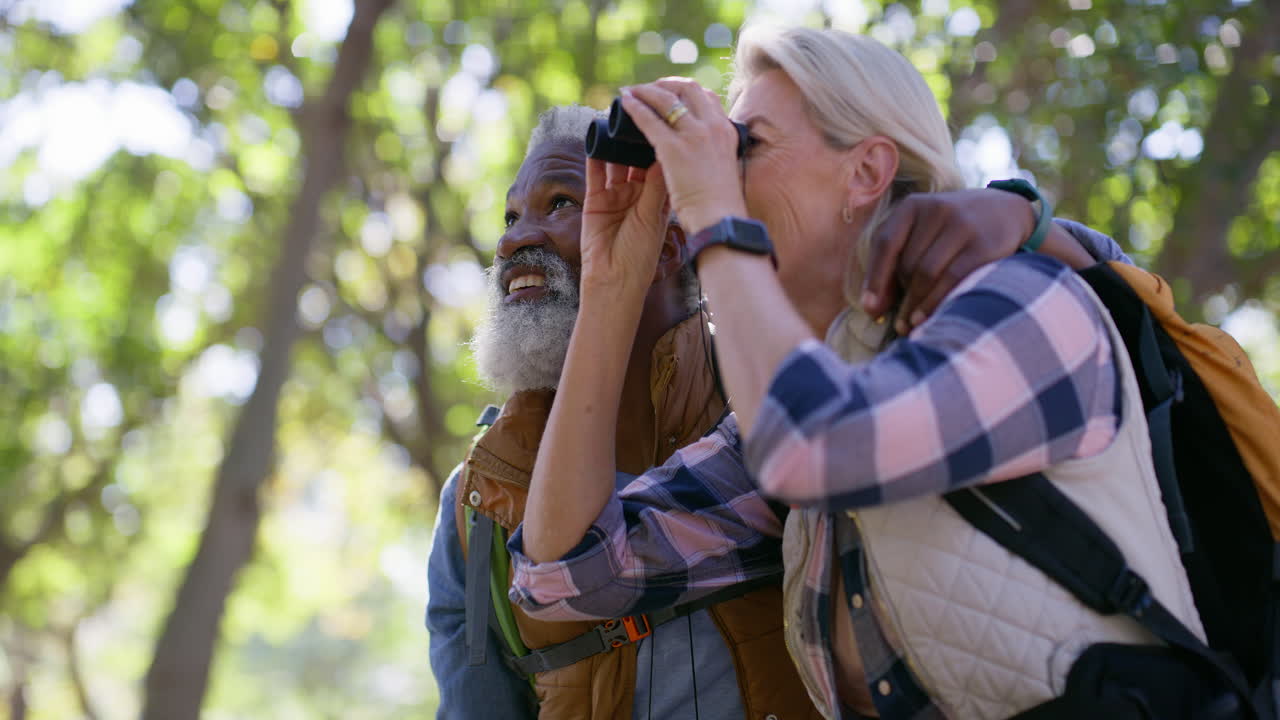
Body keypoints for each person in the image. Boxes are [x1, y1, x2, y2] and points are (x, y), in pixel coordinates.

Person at [507, 27, 1205, 720]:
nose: (724, 169)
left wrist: (712, 208)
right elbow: (568, 575)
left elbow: (816, 446)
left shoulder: (1020, 304)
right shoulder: (804, 397)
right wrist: (611, 282)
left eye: (745, 144)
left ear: (867, 173)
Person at [425, 105, 821, 720]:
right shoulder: (476, 501)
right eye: (510, 215)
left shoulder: (772, 398)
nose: (511, 239)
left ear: (666, 247)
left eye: (559, 203)